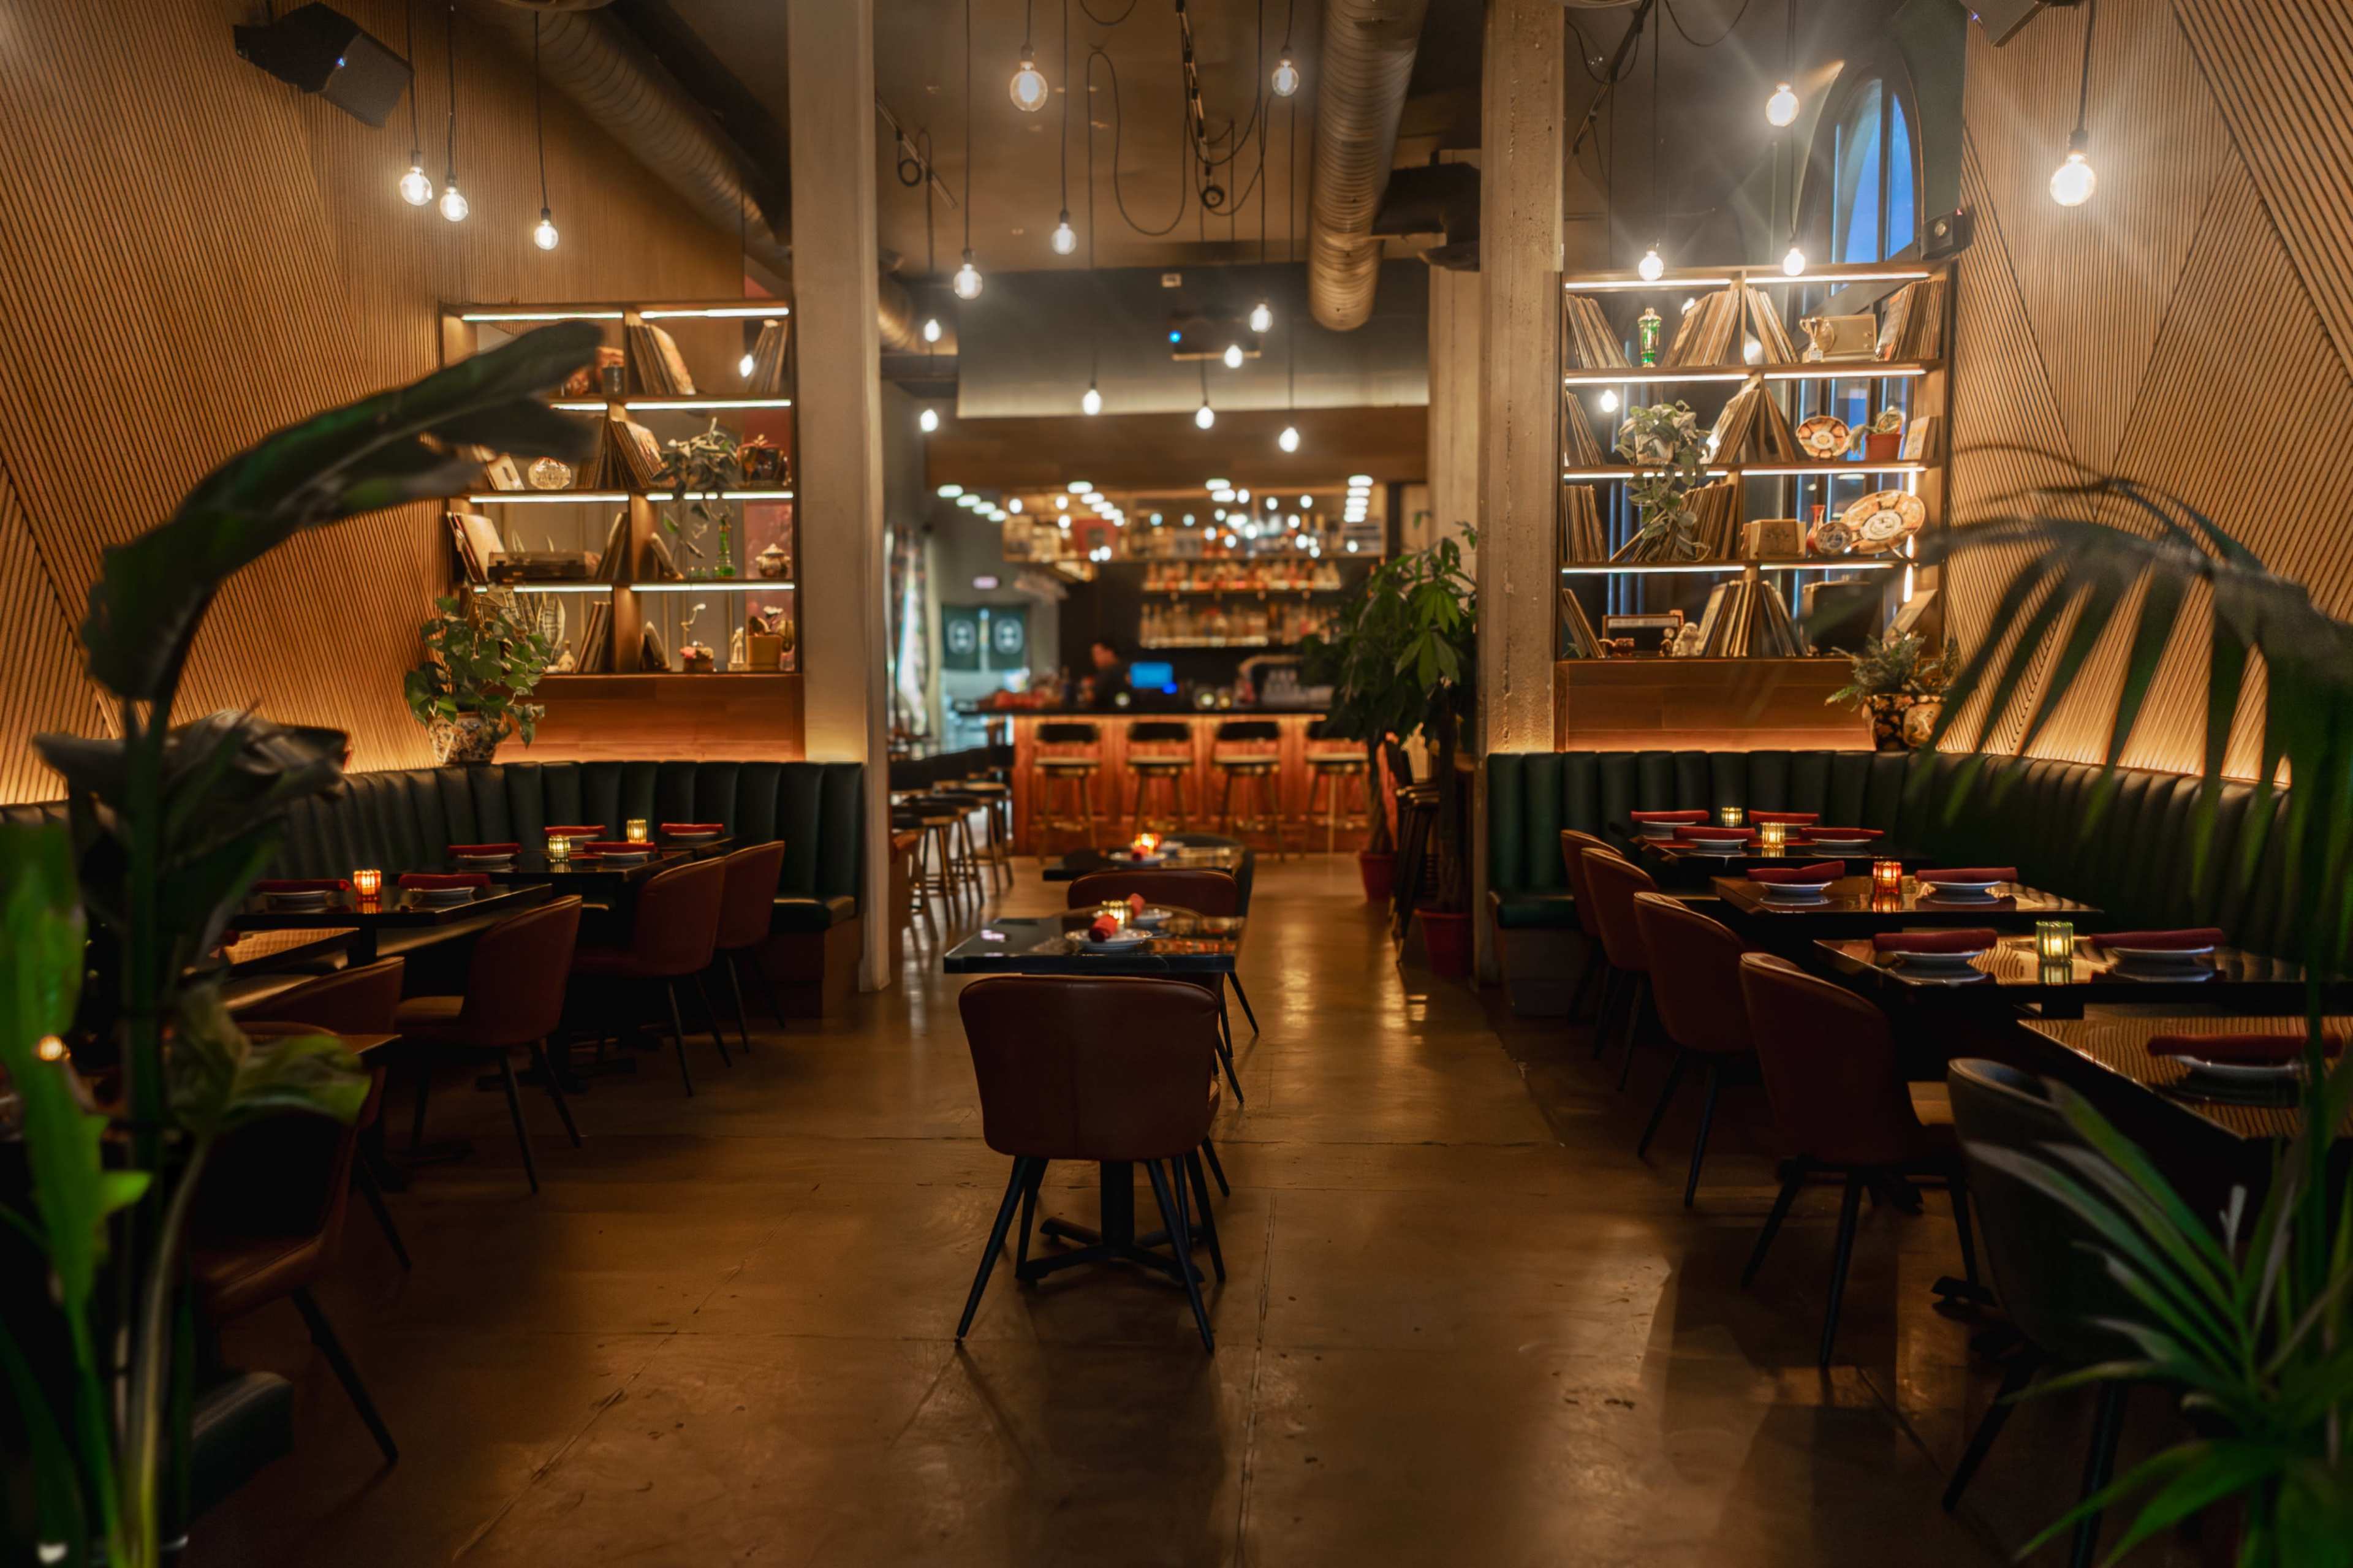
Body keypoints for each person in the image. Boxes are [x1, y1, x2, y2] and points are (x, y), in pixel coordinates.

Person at [1086, 638, 1129, 710]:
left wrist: (1086, 688)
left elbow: (1091, 697)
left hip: (1108, 716)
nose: (1094, 658)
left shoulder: (1108, 672)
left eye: (1097, 654)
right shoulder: (1128, 668)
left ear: (1110, 653)